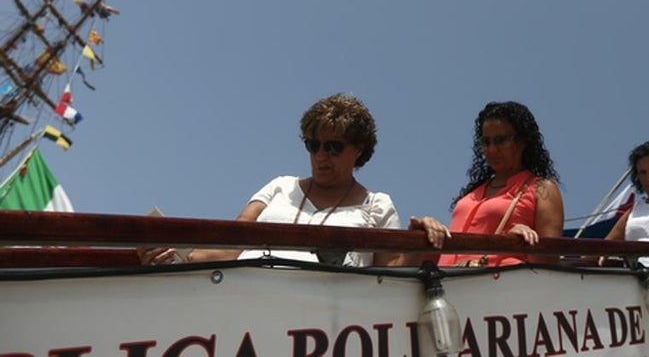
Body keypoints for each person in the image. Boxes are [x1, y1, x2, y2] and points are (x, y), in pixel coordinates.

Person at [139, 93, 441, 267]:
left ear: (358, 150)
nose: (321, 155)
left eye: (333, 147)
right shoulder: (279, 185)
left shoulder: (377, 205)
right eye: (313, 145)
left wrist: (420, 240)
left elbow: (390, 276)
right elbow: (232, 245)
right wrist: (173, 256)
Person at [414, 101, 564, 268]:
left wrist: (520, 243)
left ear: (522, 142)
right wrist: (427, 230)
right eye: (486, 142)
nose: (492, 149)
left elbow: (549, 264)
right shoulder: (473, 192)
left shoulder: (542, 189)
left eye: (500, 141)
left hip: (501, 288)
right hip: (449, 285)